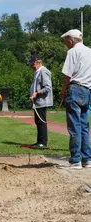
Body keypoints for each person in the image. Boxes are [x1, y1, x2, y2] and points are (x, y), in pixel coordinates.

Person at [61, 29, 91, 169]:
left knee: (74, 126)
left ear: (71, 40)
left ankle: (75, 160)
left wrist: (63, 91)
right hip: (87, 90)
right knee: (84, 126)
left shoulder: (72, 52)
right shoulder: (89, 51)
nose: (66, 43)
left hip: (75, 88)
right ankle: (87, 159)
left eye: (66, 41)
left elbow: (67, 75)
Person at [28, 55, 53, 148]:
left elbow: (47, 87)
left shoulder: (44, 72)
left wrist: (37, 93)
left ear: (37, 62)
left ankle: (43, 142)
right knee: (38, 121)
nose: (31, 66)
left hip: (42, 101)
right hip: (37, 102)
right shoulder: (37, 72)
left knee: (41, 121)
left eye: (32, 64)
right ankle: (39, 141)